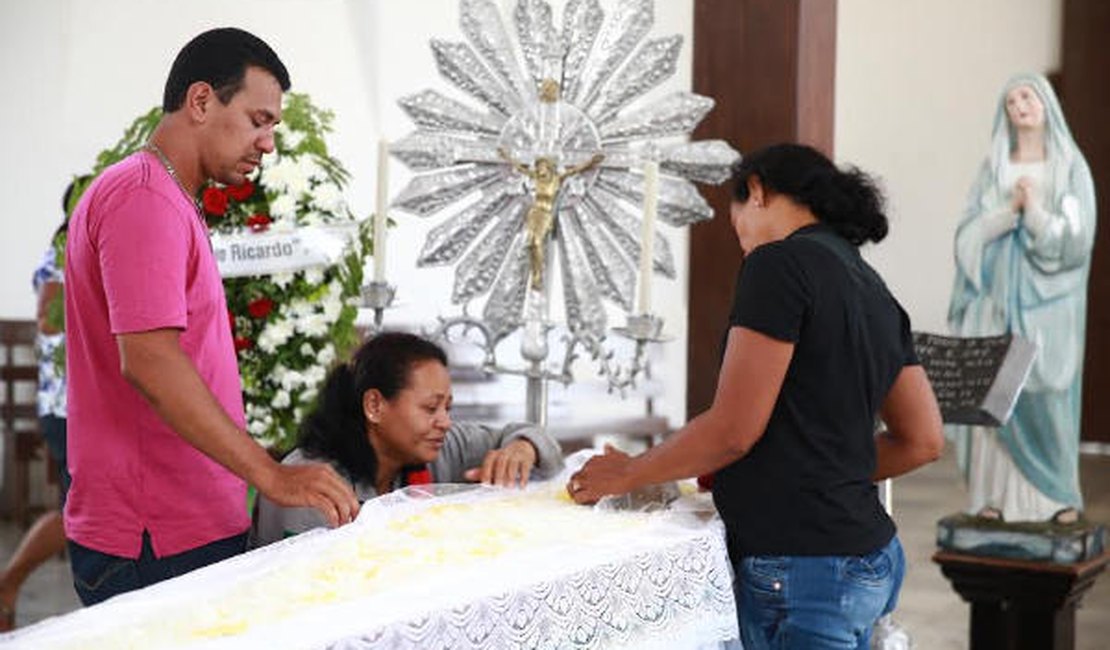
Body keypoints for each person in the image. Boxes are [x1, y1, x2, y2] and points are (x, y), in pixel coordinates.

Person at [567, 144, 944, 649]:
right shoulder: (871, 286)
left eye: (737, 219)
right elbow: (923, 440)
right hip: (870, 556)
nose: (741, 240)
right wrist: (798, 472)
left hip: (802, 569)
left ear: (758, 190)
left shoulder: (779, 264)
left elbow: (733, 430)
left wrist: (629, 473)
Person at [62, 28, 359, 606]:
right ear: (201, 101)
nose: (268, 143)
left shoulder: (166, 196)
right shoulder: (143, 197)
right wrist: (271, 476)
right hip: (157, 535)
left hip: (183, 521)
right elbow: (149, 360)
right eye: (258, 120)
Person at [947, 73, 1096, 524]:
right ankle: (991, 497)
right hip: (996, 305)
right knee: (997, 393)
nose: (1019, 106)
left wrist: (1033, 214)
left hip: (1049, 307)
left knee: (1046, 396)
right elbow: (967, 236)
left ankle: (1055, 495)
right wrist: (1007, 210)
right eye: (1010, 100)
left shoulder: (1068, 167)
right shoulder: (994, 166)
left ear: (1046, 103)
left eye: (1027, 96)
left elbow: (1076, 239)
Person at [253, 332, 565, 546]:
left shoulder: (442, 446)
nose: (445, 422)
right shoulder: (310, 483)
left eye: (448, 407)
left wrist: (523, 447)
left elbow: (538, 438)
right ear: (374, 406)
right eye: (431, 408)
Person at [0, 183, 79, 630]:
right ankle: (8, 584)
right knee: (77, 512)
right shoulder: (63, 255)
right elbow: (49, 325)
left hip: (80, 408)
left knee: (83, 509)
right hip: (67, 407)